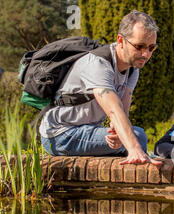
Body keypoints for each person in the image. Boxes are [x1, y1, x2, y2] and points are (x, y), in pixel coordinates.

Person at [39, 10, 161, 165]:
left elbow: (122, 113)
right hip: (60, 135)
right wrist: (133, 148)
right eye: (139, 46)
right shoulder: (98, 64)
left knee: (134, 135)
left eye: (151, 48)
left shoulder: (132, 70)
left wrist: (118, 134)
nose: (145, 54)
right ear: (121, 40)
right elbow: (113, 110)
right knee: (138, 137)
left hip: (86, 131)